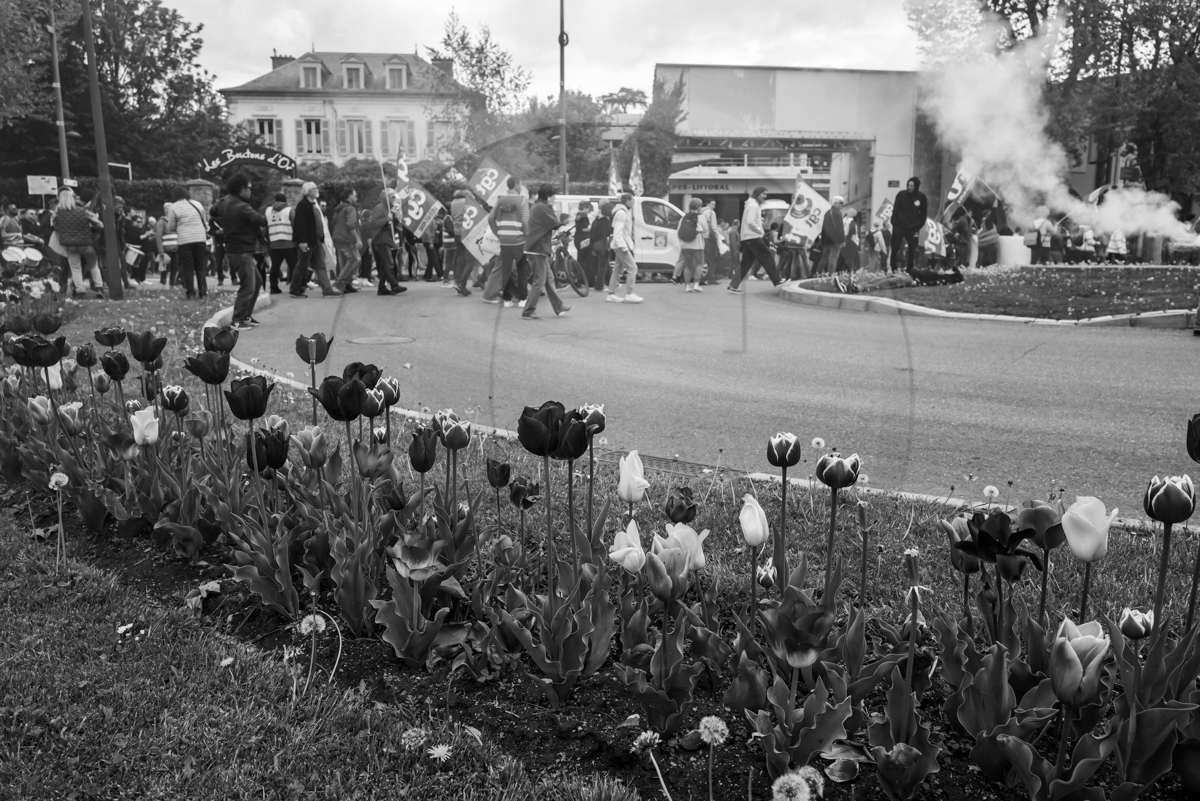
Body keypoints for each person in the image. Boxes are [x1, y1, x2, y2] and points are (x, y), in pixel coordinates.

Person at [219, 174, 267, 330]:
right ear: (241, 189)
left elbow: (213, 210)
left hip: (235, 249)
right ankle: (237, 320)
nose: (251, 191)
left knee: (257, 281)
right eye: (249, 188)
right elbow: (261, 220)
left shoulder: (226, 201)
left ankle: (245, 315)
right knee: (248, 286)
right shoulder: (242, 206)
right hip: (241, 250)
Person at [521, 184, 571, 320]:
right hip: (538, 248)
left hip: (537, 247)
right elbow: (555, 223)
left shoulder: (538, 206)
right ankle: (528, 310)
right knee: (540, 281)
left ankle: (558, 306)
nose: (555, 198)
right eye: (554, 196)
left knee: (549, 279)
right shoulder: (543, 208)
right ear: (549, 196)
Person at [483, 176, 529, 305]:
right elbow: (525, 222)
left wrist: (498, 233)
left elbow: (490, 218)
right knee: (522, 270)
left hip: (504, 241)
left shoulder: (500, 200)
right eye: (520, 184)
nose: (521, 187)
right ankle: (522, 299)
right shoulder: (522, 200)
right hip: (519, 240)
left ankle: (507, 300)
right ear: (515, 185)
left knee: (506, 270)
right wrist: (527, 237)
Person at [289, 182, 339, 298]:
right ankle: (294, 289)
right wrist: (302, 241)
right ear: (308, 191)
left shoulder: (314, 204)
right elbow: (300, 224)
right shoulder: (303, 205)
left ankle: (327, 290)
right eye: (314, 189)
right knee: (302, 265)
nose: (317, 190)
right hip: (307, 241)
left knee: (320, 265)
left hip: (316, 241)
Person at [52, 187, 103, 298]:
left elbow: (55, 226)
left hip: (68, 245)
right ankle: (99, 287)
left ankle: (80, 290)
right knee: (93, 265)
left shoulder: (58, 213)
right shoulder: (83, 211)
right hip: (85, 243)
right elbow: (100, 224)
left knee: (75, 267)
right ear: (73, 198)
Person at [727, 187, 781, 293]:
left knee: (745, 264)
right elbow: (751, 222)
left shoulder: (750, 205)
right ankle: (777, 281)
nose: (765, 196)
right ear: (757, 194)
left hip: (747, 238)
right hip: (753, 237)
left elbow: (750, 220)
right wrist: (760, 231)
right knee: (768, 256)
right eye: (763, 194)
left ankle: (733, 286)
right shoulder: (754, 205)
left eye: (766, 194)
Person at [164, 185, 210, 299]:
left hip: (185, 240)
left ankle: (190, 292)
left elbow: (170, 226)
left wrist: (180, 227)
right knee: (200, 266)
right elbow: (204, 221)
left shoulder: (173, 207)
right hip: (200, 238)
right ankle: (203, 292)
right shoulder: (197, 204)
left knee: (188, 267)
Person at [606, 193, 642, 303]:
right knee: (633, 268)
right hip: (621, 245)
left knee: (617, 270)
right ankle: (629, 293)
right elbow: (618, 231)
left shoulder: (622, 212)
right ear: (627, 201)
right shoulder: (622, 213)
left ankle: (611, 293)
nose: (634, 202)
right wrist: (623, 246)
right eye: (632, 200)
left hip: (620, 245)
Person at [890, 177, 929, 273]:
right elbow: (896, 209)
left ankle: (910, 268)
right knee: (895, 247)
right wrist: (894, 223)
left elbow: (923, 213)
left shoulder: (921, 197)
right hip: (899, 225)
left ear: (916, 186)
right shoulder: (901, 195)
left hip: (913, 227)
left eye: (911, 186)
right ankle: (893, 267)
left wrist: (920, 225)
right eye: (908, 185)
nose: (909, 187)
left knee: (912, 249)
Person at [330, 189, 362, 294]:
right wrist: (357, 239)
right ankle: (339, 284)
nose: (356, 198)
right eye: (355, 195)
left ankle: (346, 285)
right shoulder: (350, 208)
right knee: (354, 260)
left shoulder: (338, 208)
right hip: (347, 239)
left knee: (344, 263)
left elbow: (333, 222)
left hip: (337, 238)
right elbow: (350, 225)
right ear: (349, 196)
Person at [265, 192, 297, 295]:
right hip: (289, 243)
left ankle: (273, 288)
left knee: (275, 266)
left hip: (274, 243)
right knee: (294, 266)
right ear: (285, 200)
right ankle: (296, 287)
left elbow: (264, 226)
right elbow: (295, 225)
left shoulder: (268, 211)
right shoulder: (289, 210)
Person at [679, 198, 709, 292]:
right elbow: (705, 230)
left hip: (685, 244)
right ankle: (696, 284)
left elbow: (679, 230)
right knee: (699, 263)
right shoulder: (701, 217)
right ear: (698, 207)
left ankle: (687, 286)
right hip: (697, 244)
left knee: (688, 265)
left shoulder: (684, 216)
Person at [448, 189, 473, 297]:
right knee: (470, 261)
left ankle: (459, 284)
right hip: (467, 233)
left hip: (457, 233)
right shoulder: (467, 202)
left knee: (461, 260)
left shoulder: (453, 203)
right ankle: (462, 284)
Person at [814, 196, 847, 276]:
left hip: (826, 240)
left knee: (825, 257)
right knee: (834, 257)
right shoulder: (837, 213)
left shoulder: (828, 212)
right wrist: (842, 240)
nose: (842, 205)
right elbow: (838, 227)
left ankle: (818, 272)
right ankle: (831, 274)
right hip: (835, 240)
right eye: (841, 203)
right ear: (835, 203)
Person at [589, 201, 613, 291]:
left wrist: (592, 248)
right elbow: (606, 234)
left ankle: (611, 282)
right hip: (602, 245)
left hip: (595, 245)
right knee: (602, 266)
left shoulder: (596, 220)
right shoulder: (605, 221)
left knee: (605, 264)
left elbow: (591, 235)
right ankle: (599, 286)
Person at [574, 200, 595, 289]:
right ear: (586, 208)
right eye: (588, 209)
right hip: (584, 239)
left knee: (581, 260)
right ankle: (589, 281)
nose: (589, 211)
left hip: (578, 239)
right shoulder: (584, 216)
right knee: (588, 261)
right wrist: (592, 228)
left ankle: (579, 280)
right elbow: (584, 229)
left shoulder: (578, 215)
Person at [700, 199, 720, 285]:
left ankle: (701, 278)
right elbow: (714, 227)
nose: (714, 206)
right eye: (712, 204)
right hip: (709, 237)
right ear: (707, 203)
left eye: (714, 205)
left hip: (701, 237)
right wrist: (717, 238)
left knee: (703, 259)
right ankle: (711, 278)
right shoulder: (711, 212)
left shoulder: (700, 212)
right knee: (713, 258)